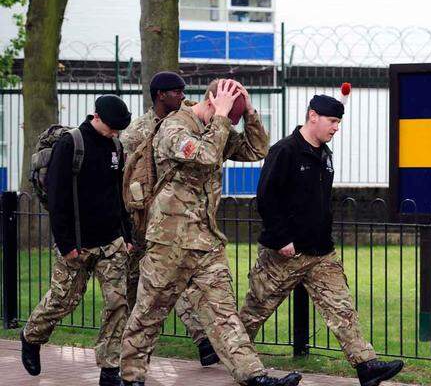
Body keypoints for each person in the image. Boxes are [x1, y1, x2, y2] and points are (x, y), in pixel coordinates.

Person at [120, 78, 302, 386]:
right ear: (212, 102)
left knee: (223, 311)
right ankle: (131, 376)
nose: (230, 124)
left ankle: (252, 375)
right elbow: (204, 156)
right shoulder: (174, 127)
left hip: (206, 240)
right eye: (229, 115)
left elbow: (258, 149)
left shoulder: (218, 128)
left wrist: (250, 113)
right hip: (169, 241)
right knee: (150, 311)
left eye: (234, 118)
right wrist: (221, 117)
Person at [238, 95, 405, 386]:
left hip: (320, 253)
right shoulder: (284, 151)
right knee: (254, 312)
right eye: (332, 121)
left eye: (339, 122)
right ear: (312, 116)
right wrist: (280, 239)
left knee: (342, 308)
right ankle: (229, 355)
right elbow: (266, 198)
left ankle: (367, 366)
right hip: (284, 254)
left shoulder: (325, 155)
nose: (336, 127)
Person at [20, 95, 133, 386]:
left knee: (118, 304)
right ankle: (31, 336)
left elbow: (118, 196)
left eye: (119, 129)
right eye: (112, 127)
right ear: (96, 117)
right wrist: (67, 243)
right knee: (62, 301)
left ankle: (110, 369)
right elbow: (58, 199)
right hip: (78, 244)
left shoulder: (116, 147)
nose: (115, 133)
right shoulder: (71, 144)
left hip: (112, 242)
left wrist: (127, 234)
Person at [120, 71, 218, 366]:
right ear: (160, 95)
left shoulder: (188, 124)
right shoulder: (137, 132)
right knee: (136, 290)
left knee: (178, 282)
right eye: (177, 92)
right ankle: (127, 352)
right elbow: (123, 178)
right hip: (141, 218)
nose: (183, 96)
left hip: (172, 221)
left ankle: (203, 341)